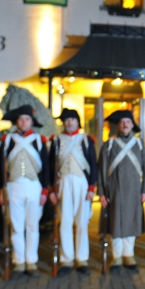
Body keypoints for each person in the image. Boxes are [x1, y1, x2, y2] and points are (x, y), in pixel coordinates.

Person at [0, 105, 49, 277]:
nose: (23, 122)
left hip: (34, 186)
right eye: (20, 119)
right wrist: (0, 190)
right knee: (17, 226)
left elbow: (46, 167)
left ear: (31, 122)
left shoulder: (39, 140)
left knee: (32, 226)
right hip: (14, 186)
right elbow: (0, 167)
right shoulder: (7, 140)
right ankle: (18, 260)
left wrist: (45, 190)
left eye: (26, 119)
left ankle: (31, 260)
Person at [49, 108, 97, 275]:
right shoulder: (56, 140)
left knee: (82, 222)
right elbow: (51, 166)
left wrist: (92, 187)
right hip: (63, 182)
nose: (69, 122)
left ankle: (81, 259)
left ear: (78, 122)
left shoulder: (85, 140)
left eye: (72, 119)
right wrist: (51, 190)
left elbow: (93, 163)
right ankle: (67, 258)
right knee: (65, 221)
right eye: (66, 120)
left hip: (81, 182)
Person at [97, 110, 145, 272]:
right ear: (118, 125)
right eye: (122, 122)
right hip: (114, 190)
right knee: (115, 223)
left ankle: (129, 255)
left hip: (134, 190)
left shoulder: (139, 144)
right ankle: (117, 257)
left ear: (132, 125)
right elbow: (102, 169)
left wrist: (144, 190)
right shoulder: (109, 144)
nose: (125, 125)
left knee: (131, 221)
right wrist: (102, 193)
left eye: (128, 122)